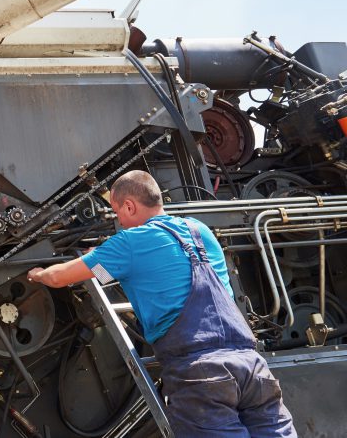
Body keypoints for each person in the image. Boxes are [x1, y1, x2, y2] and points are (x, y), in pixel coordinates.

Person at [27, 170, 296, 437]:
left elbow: (58, 277)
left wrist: (37, 273)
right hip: (252, 367)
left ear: (129, 205)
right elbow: (140, 268)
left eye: (117, 211)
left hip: (200, 374)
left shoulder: (130, 242)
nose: (118, 220)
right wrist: (103, 260)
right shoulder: (199, 230)